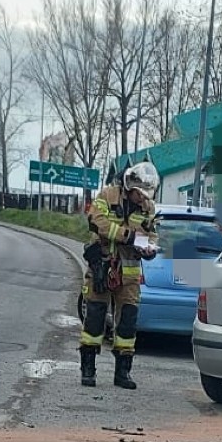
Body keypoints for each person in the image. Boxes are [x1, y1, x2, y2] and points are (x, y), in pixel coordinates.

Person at [78, 162, 160, 390]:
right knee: (94, 316)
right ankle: (88, 369)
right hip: (102, 266)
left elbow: (153, 235)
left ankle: (122, 372)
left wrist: (150, 249)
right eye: (138, 194)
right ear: (129, 185)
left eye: (145, 195)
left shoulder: (148, 207)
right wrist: (128, 236)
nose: (141, 199)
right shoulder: (107, 195)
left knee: (127, 323)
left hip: (130, 273)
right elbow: (97, 221)